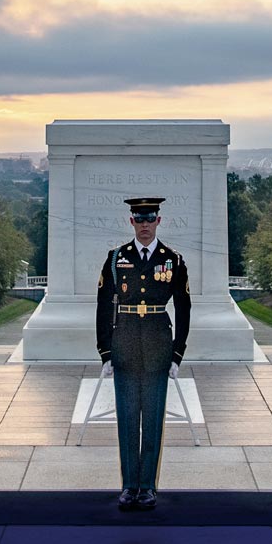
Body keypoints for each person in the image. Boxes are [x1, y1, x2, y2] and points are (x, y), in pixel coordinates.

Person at [95, 196, 191, 511]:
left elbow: (184, 308)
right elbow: (103, 306)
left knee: (151, 419)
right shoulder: (115, 258)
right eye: (140, 219)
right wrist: (105, 352)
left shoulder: (173, 260)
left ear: (159, 221)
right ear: (131, 222)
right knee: (126, 420)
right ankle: (129, 486)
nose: (145, 225)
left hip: (157, 346)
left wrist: (177, 354)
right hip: (123, 345)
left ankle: (147, 487)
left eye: (150, 219)